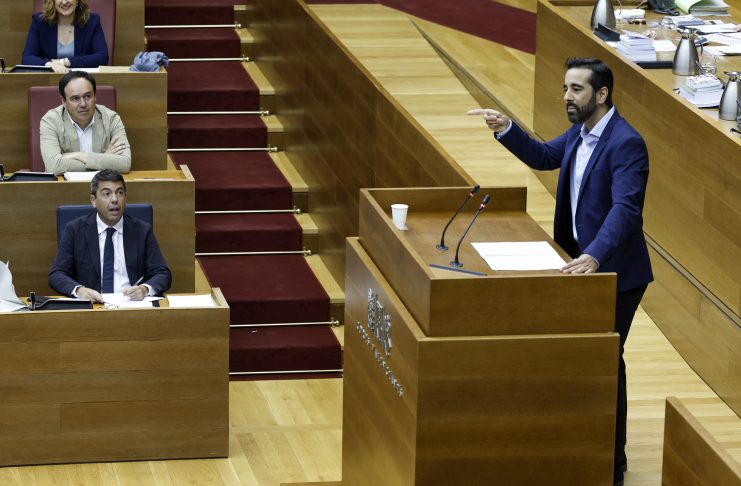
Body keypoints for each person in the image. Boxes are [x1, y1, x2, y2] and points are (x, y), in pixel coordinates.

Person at [469, 57, 653, 486]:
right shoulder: (580, 132)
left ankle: (612, 463)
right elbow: (545, 156)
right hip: (576, 267)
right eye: (565, 88)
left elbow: (626, 209)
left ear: (601, 94)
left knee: (605, 361)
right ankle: (577, 443)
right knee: (581, 358)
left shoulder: (626, 143)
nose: (567, 97)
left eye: (576, 89)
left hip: (614, 275)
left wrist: (595, 255)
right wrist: (506, 128)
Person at [49, 169, 171, 303]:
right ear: (93, 201)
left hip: (131, 305)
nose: (114, 199)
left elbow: (162, 274)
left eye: (120, 193)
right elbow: (57, 274)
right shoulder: (75, 230)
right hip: (93, 306)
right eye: (107, 194)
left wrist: (144, 289)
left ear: (125, 198)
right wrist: (79, 291)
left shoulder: (142, 230)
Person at [40, 71, 131, 175]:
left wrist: (81, 156)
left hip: (102, 184)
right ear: (64, 101)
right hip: (63, 184)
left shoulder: (111, 118)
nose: (83, 104)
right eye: (75, 98)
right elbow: (54, 167)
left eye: (87, 96)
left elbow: (125, 163)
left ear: (95, 97)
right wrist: (105, 158)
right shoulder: (50, 121)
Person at [22, 0, 108, 73]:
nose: (64, 2)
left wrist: (64, 62)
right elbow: (27, 58)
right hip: (49, 80)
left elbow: (102, 57)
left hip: (81, 80)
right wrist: (48, 64)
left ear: (77, 1)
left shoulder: (92, 21)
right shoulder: (40, 21)